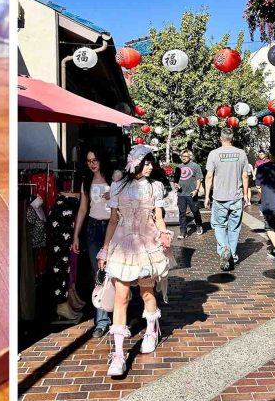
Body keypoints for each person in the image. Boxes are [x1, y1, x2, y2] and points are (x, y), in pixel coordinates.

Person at [97, 145, 172, 378]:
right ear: (136, 163)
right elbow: (112, 221)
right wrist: (105, 249)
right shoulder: (118, 186)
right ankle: (118, 354)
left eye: (152, 163)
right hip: (122, 245)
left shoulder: (155, 187)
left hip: (147, 245)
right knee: (121, 296)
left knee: (147, 293)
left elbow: (158, 218)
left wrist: (164, 233)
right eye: (147, 162)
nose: (151, 167)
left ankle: (151, 330)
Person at [71, 147, 116, 338]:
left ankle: (119, 314)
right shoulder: (86, 181)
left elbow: (124, 200)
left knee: (116, 271)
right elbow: (82, 209)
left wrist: (113, 194)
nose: (92, 163)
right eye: (89, 160)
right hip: (93, 228)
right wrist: (75, 235)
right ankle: (102, 319)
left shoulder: (114, 177)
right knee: (98, 273)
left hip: (113, 227)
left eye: (95, 159)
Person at [204, 128, 251, 272]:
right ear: (232, 138)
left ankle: (224, 248)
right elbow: (245, 176)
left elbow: (209, 176)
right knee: (234, 228)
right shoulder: (241, 153)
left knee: (219, 225)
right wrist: (245, 195)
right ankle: (233, 256)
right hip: (236, 197)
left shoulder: (214, 154)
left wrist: (206, 196)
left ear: (220, 138)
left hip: (220, 197)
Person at [175, 150, 204, 238]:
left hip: (192, 193)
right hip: (181, 194)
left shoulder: (195, 166)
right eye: (182, 156)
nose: (183, 157)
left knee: (195, 211)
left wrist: (196, 190)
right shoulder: (178, 167)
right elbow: (176, 180)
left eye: (185, 156)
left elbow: (199, 179)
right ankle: (183, 231)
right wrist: (176, 185)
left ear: (190, 157)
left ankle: (198, 225)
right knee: (182, 213)